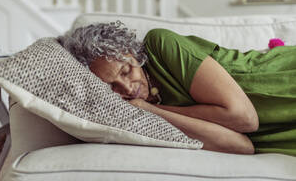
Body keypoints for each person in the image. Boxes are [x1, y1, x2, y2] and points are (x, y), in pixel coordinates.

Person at [58, 21, 296, 156]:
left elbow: (244, 118)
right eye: (111, 87)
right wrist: (148, 110)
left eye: (126, 70)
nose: (128, 89)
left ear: (131, 53)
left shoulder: (160, 45)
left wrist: (148, 108)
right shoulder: (131, 113)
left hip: (279, 80)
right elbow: (243, 146)